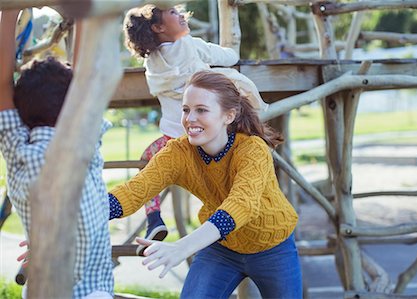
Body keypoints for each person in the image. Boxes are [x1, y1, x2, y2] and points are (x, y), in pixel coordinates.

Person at [109, 70, 302, 298]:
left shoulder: (252, 149)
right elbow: (134, 191)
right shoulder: (178, 152)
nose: (190, 119)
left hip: (273, 246)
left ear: (228, 116)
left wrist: (183, 247)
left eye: (201, 110)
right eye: (186, 109)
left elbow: (242, 204)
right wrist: (86, 211)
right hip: (222, 248)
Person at [123, 4, 268, 255]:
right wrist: (230, 54)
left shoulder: (152, 64)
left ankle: (154, 218)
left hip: (175, 139)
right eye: (173, 13)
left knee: (148, 161)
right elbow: (226, 57)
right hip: (210, 135)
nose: (181, 14)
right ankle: (229, 222)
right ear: (158, 27)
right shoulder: (190, 45)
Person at [0, 10, 114, 299]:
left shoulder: (18, 151)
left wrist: (9, 13)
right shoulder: (82, 140)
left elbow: (2, 85)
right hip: (92, 293)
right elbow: (85, 76)